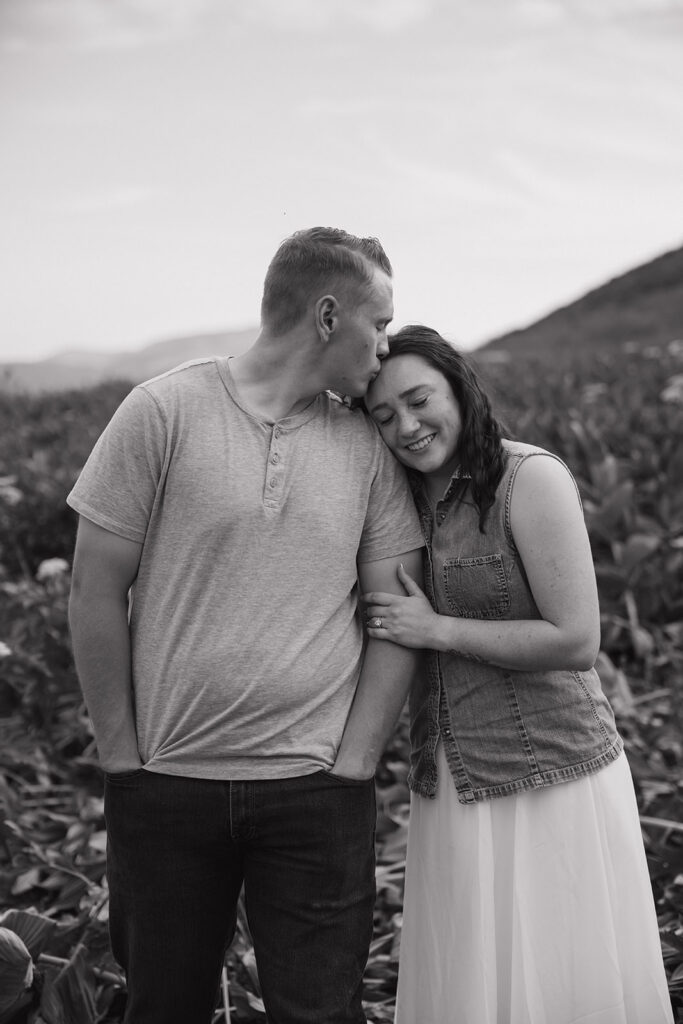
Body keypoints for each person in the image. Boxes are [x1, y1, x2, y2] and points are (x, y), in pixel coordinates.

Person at [66, 227, 425, 1024]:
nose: (386, 344)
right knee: (164, 1009)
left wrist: (356, 762)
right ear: (328, 315)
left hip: (316, 794)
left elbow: (395, 611)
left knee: (318, 1014)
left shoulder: (365, 447)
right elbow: (93, 590)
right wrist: (123, 758)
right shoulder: (161, 412)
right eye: (380, 322)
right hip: (166, 788)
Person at [363, 325, 674, 1024]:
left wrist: (439, 630)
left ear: (459, 390)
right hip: (451, 775)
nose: (406, 427)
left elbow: (575, 639)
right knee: (477, 981)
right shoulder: (400, 502)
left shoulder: (525, 477)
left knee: (559, 978)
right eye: (383, 417)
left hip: (549, 770)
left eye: (418, 401)